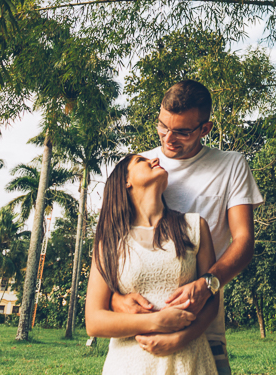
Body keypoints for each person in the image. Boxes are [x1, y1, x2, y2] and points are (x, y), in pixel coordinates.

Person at [113, 81, 265, 375]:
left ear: (205, 129)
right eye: (162, 126)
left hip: (203, 323)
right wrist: (114, 299)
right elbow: (114, 244)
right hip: (140, 332)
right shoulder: (140, 168)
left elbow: (244, 241)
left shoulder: (231, 165)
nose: (168, 139)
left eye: (182, 132)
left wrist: (209, 284)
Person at [85, 154, 220, 375]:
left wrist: (180, 338)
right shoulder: (109, 241)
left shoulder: (195, 226)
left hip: (188, 360)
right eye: (140, 160)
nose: (154, 159)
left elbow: (211, 302)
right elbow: (94, 320)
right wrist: (156, 321)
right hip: (129, 364)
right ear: (125, 181)